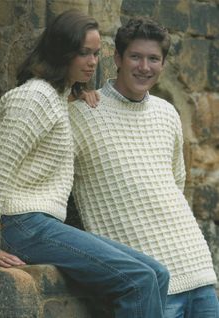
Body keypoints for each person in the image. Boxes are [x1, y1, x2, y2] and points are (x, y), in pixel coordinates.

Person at [0, 10, 170, 318]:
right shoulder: (33, 98)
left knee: (157, 274)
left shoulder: (56, 97)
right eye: (84, 53)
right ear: (62, 50)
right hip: (18, 224)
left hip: (39, 223)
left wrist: (79, 94)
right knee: (139, 280)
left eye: (97, 53)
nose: (93, 62)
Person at [69, 16, 219, 317]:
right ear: (117, 59)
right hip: (147, 280)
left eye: (154, 59)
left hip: (198, 269)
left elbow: (176, 183)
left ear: (163, 64)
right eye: (136, 56)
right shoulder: (80, 115)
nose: (144, 67)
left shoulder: (167, 114)